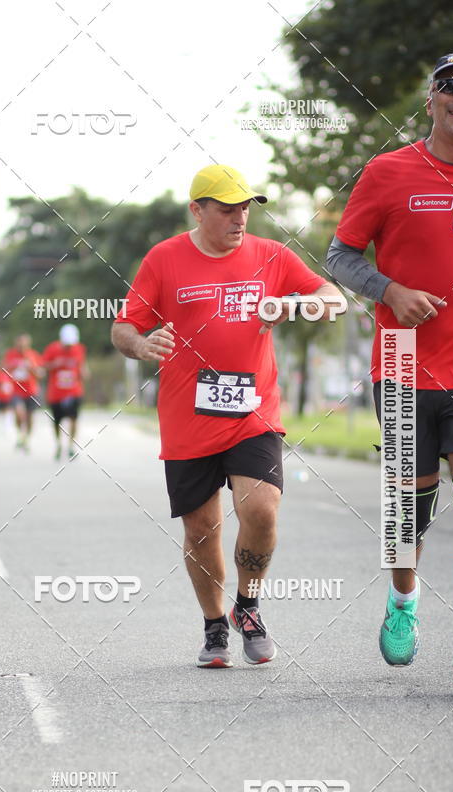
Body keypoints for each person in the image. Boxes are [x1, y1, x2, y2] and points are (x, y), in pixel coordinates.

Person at [112, 163, 345, 668]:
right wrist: (141, 341)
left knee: (261, 509)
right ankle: (215, 624)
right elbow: (124, 326)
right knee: (201, 529)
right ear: (197, 210)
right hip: (187, 417)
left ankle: (250, 604)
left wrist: (296, 307)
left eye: (245, 207)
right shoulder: (164, 259)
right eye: (227, 209)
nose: (240, 218)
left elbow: (334, 298)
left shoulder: (271, 256)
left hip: (253, 412)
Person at [327, 51, 453, 695]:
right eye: (449, 87)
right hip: (401, 368)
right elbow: (341, 255)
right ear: (430, 102)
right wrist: (390, 290)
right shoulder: (388, 172)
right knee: (408, 513)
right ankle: (403, 602)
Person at [42, 324, 88, 459]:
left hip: (74, 391)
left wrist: (85, 373)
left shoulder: (79, 349)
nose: (69, 347)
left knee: (74, 418)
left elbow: (82, 366)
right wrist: (55, 364)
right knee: (57, 421)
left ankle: (71, 445)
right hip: (56, 393)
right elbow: (43, 367)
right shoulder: (52, 349)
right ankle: (58, 444)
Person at [2, 334, 42, 452]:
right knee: (19, 413)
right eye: (19, 344)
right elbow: (3, 368)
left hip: (31, 390)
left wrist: (31, 367)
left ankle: (26, 438)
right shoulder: (11, 354)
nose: (21, 347)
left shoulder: (33, 355)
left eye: (24, 344)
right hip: (16, 390)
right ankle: (20, 434)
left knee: (29, 416)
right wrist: (12, 366)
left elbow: (40, 373)